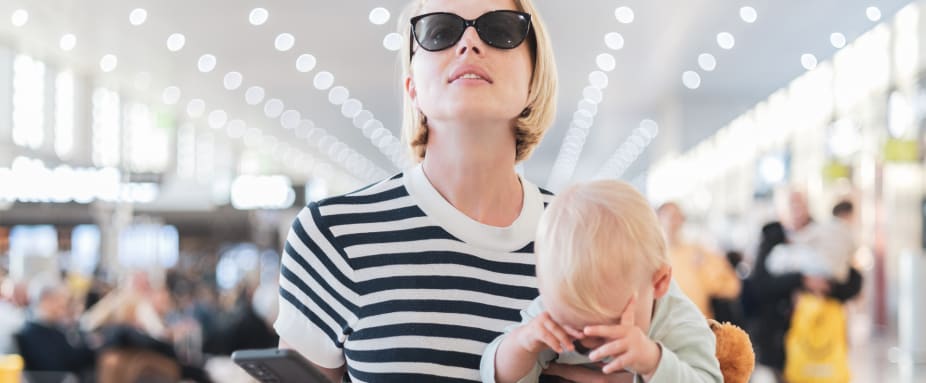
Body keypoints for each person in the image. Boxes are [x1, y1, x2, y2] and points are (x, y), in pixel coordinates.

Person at [273, 0, 560, 381]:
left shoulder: (586, 237)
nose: (469, 43)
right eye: (439, 32)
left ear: (534, 79)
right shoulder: (334, 235)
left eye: (501, 30)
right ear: (412, 88)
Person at [481, 181, 722, 383]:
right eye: (572, 329)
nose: (589, 344)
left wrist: (652, 362)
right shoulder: (550, 314)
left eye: (610, 327)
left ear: (658, 283)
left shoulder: (678, 322)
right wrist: (522, 344)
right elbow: (494, 375)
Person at [657, 202, 741, 319]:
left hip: (700, 321)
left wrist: (705, 268)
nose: (673, 222)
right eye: (669, 216)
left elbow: (731, 287)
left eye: (677, 216)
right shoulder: (654, 257)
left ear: (682, 220)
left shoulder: (698, 252)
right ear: (658, 220)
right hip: (667, 324)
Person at [15, 278, 97, 382]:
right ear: (47, 299)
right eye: (60, 300)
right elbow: (54, 366)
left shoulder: (54, 327)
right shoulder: (32, 333)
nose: (64, 306)